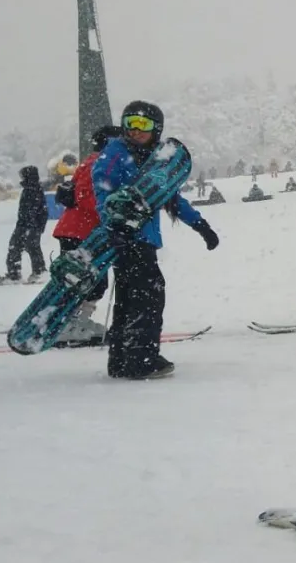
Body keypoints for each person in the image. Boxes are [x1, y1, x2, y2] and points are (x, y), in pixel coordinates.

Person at [93, 101, 220, 380]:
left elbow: (170, 196)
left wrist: (200, 225)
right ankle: (141, 358)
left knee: (129, 297)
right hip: (127, 237)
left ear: (157, 129)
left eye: (144, 125)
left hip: (141, 239)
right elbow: (101, 188)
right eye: (131, 123)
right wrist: (113, 225)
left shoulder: (151, 160)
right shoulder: (116, 153)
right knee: (148, 295)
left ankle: (121, 359)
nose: (136, 131)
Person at [51, 125, 122, 344]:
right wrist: (114, 207)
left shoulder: (102, 163)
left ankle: (78, 320)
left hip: (84, 231)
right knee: (86, 280)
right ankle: (69, 322)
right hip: (79, 231)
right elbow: (85, 196)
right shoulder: (96, 164)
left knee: (94, 281)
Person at [0, 166, 47, 284]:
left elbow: (32, 211)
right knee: (30, 248)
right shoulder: (34, 188)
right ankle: (38, 271)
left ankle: (16, 274)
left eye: (23, 175)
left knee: (17, 247)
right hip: (29, 225)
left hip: (27, 226)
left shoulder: (32, 190)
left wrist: (28, 226)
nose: (21, 178)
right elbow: (41, 211)